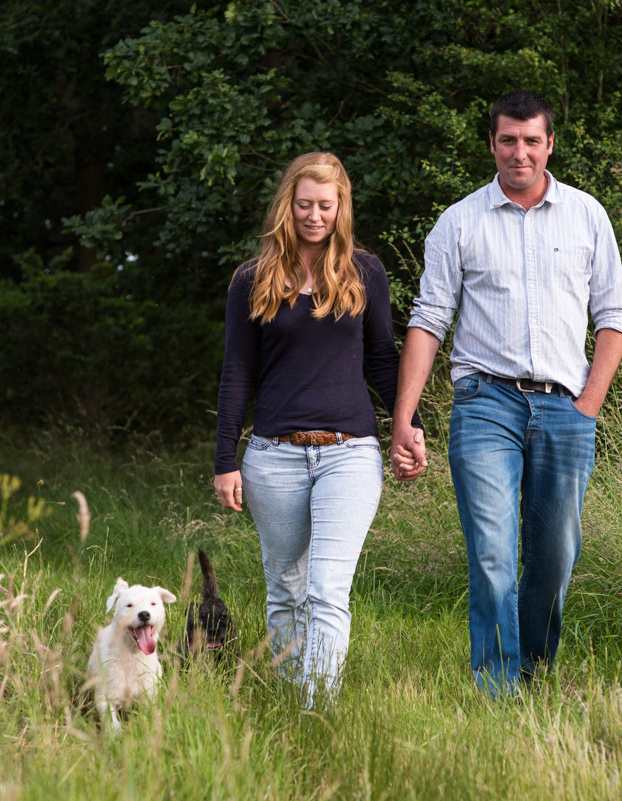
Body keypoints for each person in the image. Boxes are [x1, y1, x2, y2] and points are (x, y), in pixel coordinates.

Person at [391, 91, 622, 696]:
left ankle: (535, 669)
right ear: (492, 143)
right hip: (484, 405)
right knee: (494, 556)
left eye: (531, 140)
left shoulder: (586, 216)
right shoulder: (460, 222)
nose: (519, 152)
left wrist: (589, 407)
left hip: (566, 405)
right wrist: (405, 416)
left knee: (553, 560)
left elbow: (615, 316)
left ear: (549, 144)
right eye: (507, 140)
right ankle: (497, 690)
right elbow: (428, 320)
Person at [214, 152, 416, 706]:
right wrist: (224, 460)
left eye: (326, 206)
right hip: (271, 455)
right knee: (285, 588)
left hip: (350, 453)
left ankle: (314, 707)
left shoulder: (364, 272)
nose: (314, 216)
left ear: (341, 207)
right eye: (304, 204)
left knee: (327, 589)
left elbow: (382, 358)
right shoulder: (252, 279)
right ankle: (287, 693)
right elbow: (237, 372)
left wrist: (408, 426)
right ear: (288, 204)